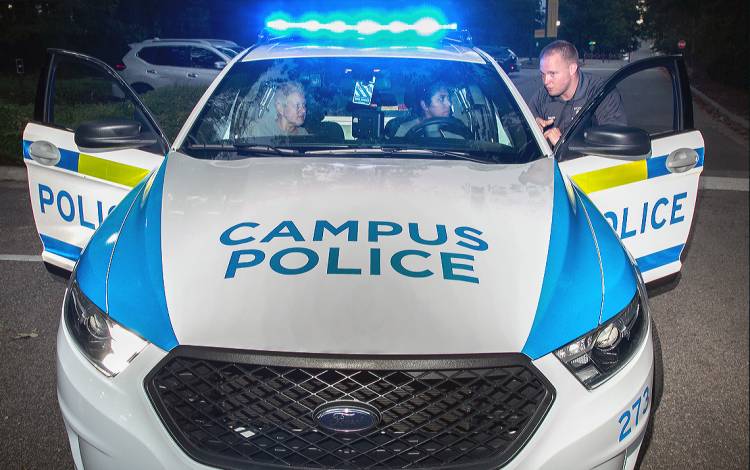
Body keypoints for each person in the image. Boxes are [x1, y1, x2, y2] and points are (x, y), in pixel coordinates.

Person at [530, 40, 626, 147]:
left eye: (552, 74)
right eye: (543, 74)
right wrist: (532, 127)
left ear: (572, 69)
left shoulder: (601, 93)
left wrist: (563, 146)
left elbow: (614, 144)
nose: (546, 81)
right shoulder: (540, 98)